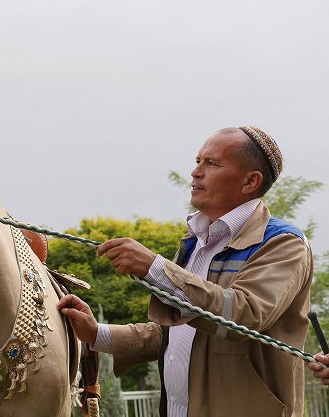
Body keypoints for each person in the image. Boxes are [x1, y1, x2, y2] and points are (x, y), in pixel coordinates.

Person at [58, 126, 313, 417]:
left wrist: (154, 267)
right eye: (197, 161)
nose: (195, 172)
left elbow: (242, 316)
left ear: (250, 181)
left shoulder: (282, 243)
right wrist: (96, 332)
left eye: (212, 163)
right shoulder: (197, 242)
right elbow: (179, 335)